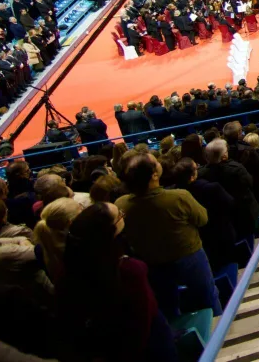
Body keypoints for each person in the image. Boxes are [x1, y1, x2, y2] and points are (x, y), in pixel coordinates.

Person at [60, 203, 178, 361]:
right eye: (120, 215)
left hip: (107, 346)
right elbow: (141, 323)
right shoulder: (129, 271)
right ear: (110, 230)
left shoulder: (71, 266)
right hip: (147, 346)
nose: (123, 215)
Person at [116, 152, 223, 317]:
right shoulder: (178, 197)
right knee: (207, 294)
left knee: (167, 304)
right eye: (156, 162)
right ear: (154, 175)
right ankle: (218, 323)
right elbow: (202, 219)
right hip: (188, 256)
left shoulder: (121, 204)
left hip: (151, 262)